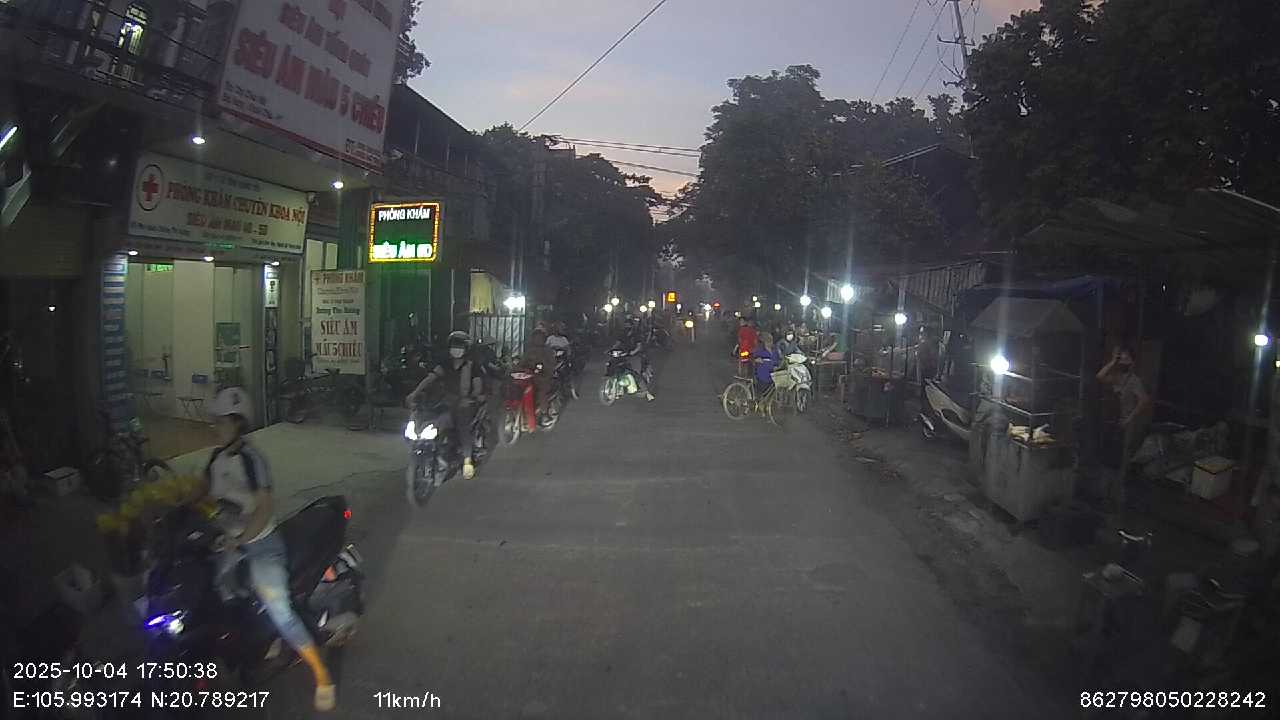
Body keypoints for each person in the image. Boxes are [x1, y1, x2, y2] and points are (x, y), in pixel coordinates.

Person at [198, 387, 336, 712]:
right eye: (215, 421)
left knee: (280, 611)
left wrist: (241, 538)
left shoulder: (252, 459)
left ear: (238, 423)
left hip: (261, 544)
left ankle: (322, 676)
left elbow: (264, 507)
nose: (216, 427)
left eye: (222, 421)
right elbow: (201, 493)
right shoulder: (216, 458)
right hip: (225, 542)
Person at [406, 331, 485, 480]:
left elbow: (478, 386)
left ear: (466, 348)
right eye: (454, 345)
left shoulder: (472, 366)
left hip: (466, 403)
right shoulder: (445, 364)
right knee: (431, 416)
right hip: (447, 401)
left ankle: (467, 461)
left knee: (462, 426)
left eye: (459, 346)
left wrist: (473, 397)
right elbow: (430, 378)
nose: (456, 349)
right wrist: (414, 393)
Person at [1096, 344, 1152, 508]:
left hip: (1125, 425)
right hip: (1112, 424)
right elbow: (1100, 376)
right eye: (1121, 356)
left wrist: (1129, 418)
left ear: (1132, 360)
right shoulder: (1117, 377)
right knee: (1108, 459)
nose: (1123, 359)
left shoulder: (1134, 380)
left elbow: (1144, 400)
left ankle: (1117, 498)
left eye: (1126, 356)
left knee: (1121, 461)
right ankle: (1105, 496)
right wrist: (1113, 361)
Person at [521, 328, 558, 416]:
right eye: (536, 338)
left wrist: (542, 367)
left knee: (541, 392)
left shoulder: (548, 351)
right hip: (529, 376)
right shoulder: (529, 350)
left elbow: (551, 365)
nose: (537, 340)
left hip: (543, 377)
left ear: (544, 339)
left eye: (540, 338)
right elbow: (522, 362)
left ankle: (544, 413)